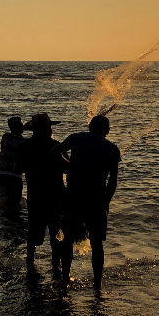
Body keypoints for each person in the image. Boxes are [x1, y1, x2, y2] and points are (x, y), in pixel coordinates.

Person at [51, 115, 120, 291]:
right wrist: (107, 201)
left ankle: (65, 279)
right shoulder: (112, 148)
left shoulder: (76, 138)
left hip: (73, 197)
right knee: (97, 243)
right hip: (97, 200)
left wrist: (69, 166)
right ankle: (97, 284)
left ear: (90, 127)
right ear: (107, 130)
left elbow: (54, 152)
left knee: (67, 240)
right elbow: (113, 180)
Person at [16, 113, 67, 274]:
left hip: (35, 195)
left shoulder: (24, 146)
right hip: (56, 195)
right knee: (56, 233)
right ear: (46, 129)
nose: (51, 130)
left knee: (33, 232)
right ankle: (55, 266)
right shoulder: (57, 146)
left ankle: (30, 264)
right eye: (49, 127)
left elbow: (18, 168)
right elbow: (68, 168)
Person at [0, 116, 25, 209]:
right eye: (21, 124)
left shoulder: (5, 137)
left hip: (1, 175)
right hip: (14, 177)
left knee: (5, 202)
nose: (22, 126)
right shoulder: (23, 142)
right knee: (14, 205)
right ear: (17, 127)